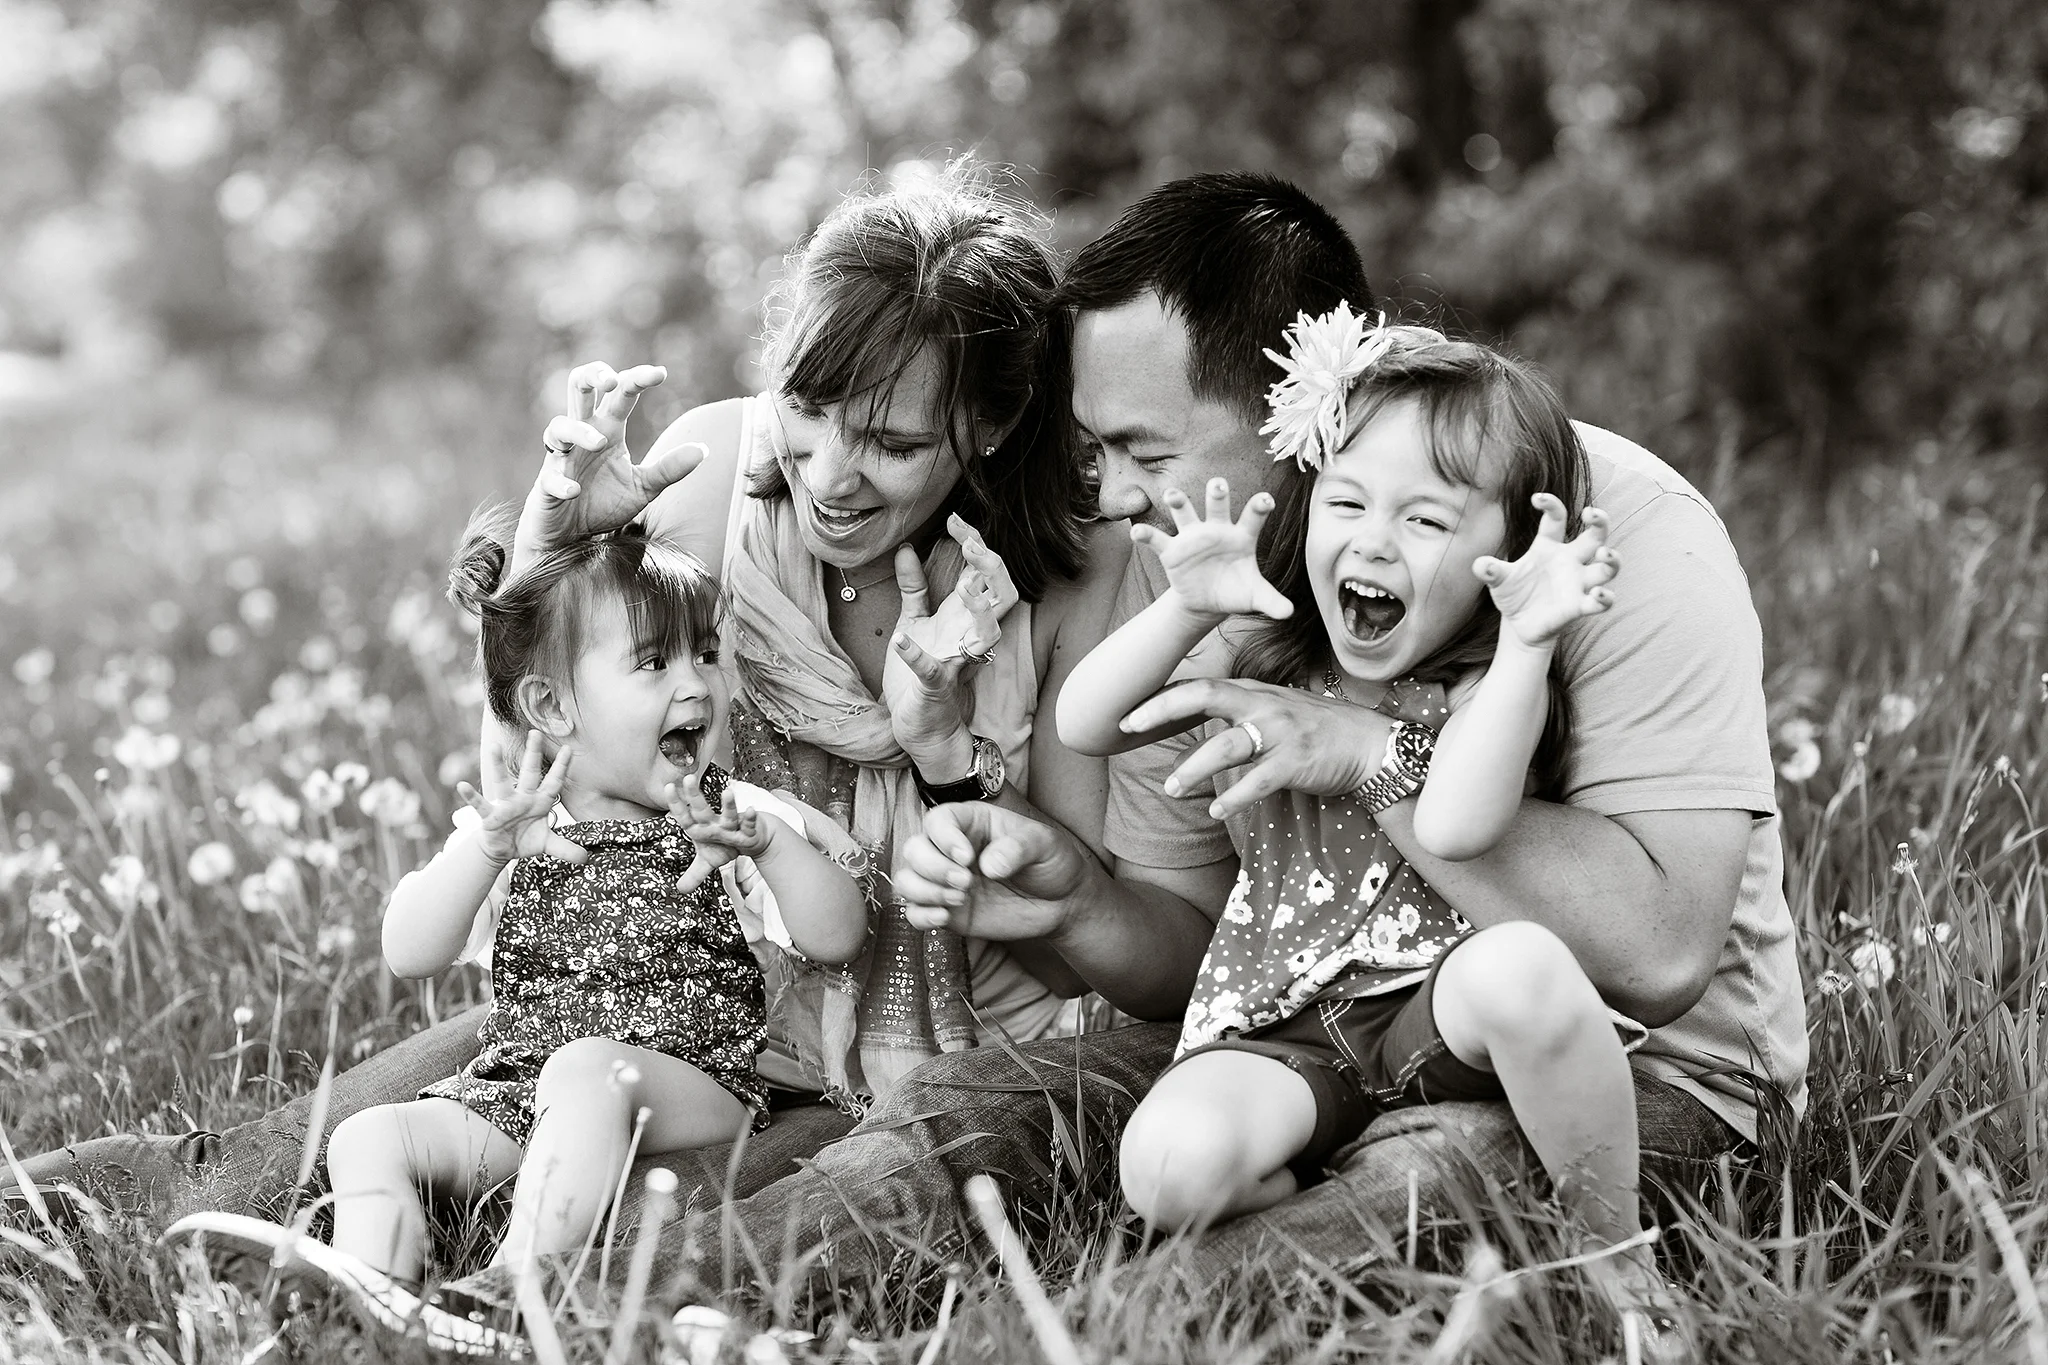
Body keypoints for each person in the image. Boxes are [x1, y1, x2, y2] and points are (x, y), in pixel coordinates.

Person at [8, 173, 1804, 1358]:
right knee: (593, 996)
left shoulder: (1599, 528)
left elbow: (1650, 956)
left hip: (1597, 1075)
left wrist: (1340, 754)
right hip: (1241, 1029)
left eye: (1132, 445)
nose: (1108, 491)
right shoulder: (1199, 568)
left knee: (1381, 1183)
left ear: (1287, 407)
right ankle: (176, 1200)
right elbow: (567, 722)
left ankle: (996, 1339)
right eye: (1088, 449)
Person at [1056, 310, 1688, 1348]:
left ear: (1508, 554)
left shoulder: (1488, 683)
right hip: (1279, 1021)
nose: (1371, 541)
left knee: (1525, 967)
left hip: (1433, 1008)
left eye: (1427, 522)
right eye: (1344, 502)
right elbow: (1091, 724)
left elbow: (1455, 821)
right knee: (1164, 1166)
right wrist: (1183, 609)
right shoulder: (1264, 647)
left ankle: (1617, 1265)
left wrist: (1527, 646)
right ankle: (1321, 1199)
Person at [162, 513, 870, 1326]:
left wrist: (771, 844)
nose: (696, 684)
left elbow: (837, 932)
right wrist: (487, 851)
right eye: (653, 662)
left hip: (694, 1084)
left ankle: (504, 1296)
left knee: (587, 1068)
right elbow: (408, 950)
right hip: (521, 1090)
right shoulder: (523, 825)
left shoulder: (724, 815)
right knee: (368, 1137)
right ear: (553, 707)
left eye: (705, 653)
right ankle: (369, 1298)